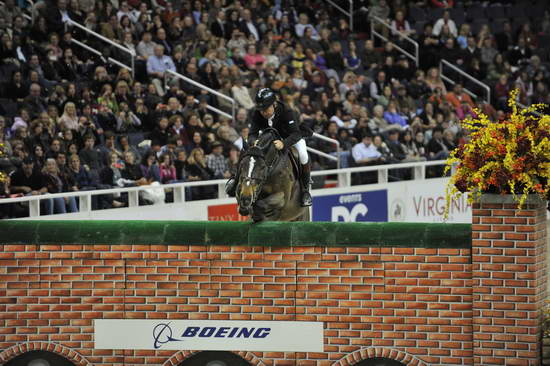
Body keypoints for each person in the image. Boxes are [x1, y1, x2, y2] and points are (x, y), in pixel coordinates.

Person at [225, 88, 312, 206]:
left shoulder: (287, 111)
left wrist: (284, 143)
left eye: (266, 109)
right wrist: (252, 141)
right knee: (245, 147)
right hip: (269, 138)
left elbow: (296, 134)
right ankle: (235, 181)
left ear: (274, 104)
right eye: (261, 110)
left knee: (303, 155)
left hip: (290, 137)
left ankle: (305, 190)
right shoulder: (258, 113)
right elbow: (252, 133)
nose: (263, 113)